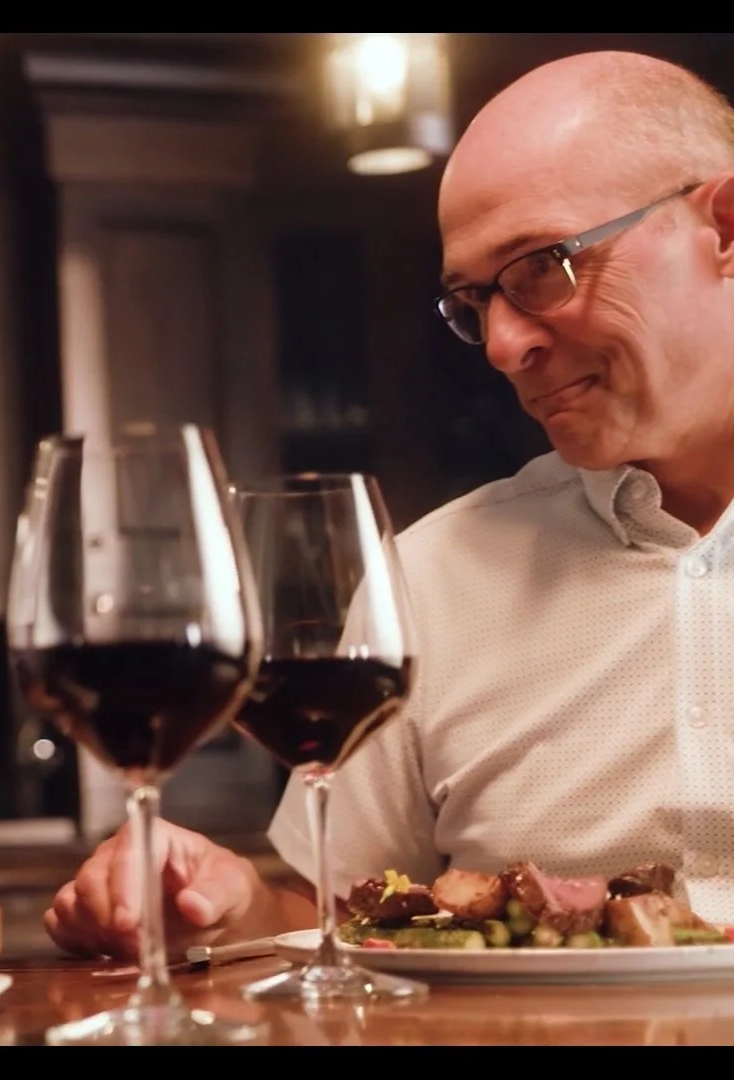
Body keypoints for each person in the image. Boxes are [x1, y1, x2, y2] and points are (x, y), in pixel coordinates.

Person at [45, 48, 734, 962]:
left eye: (543, 267)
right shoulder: (430, 580)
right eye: (474, 301)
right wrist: (226, 907)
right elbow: (342, 927)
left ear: (723, 229)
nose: (502, 345)